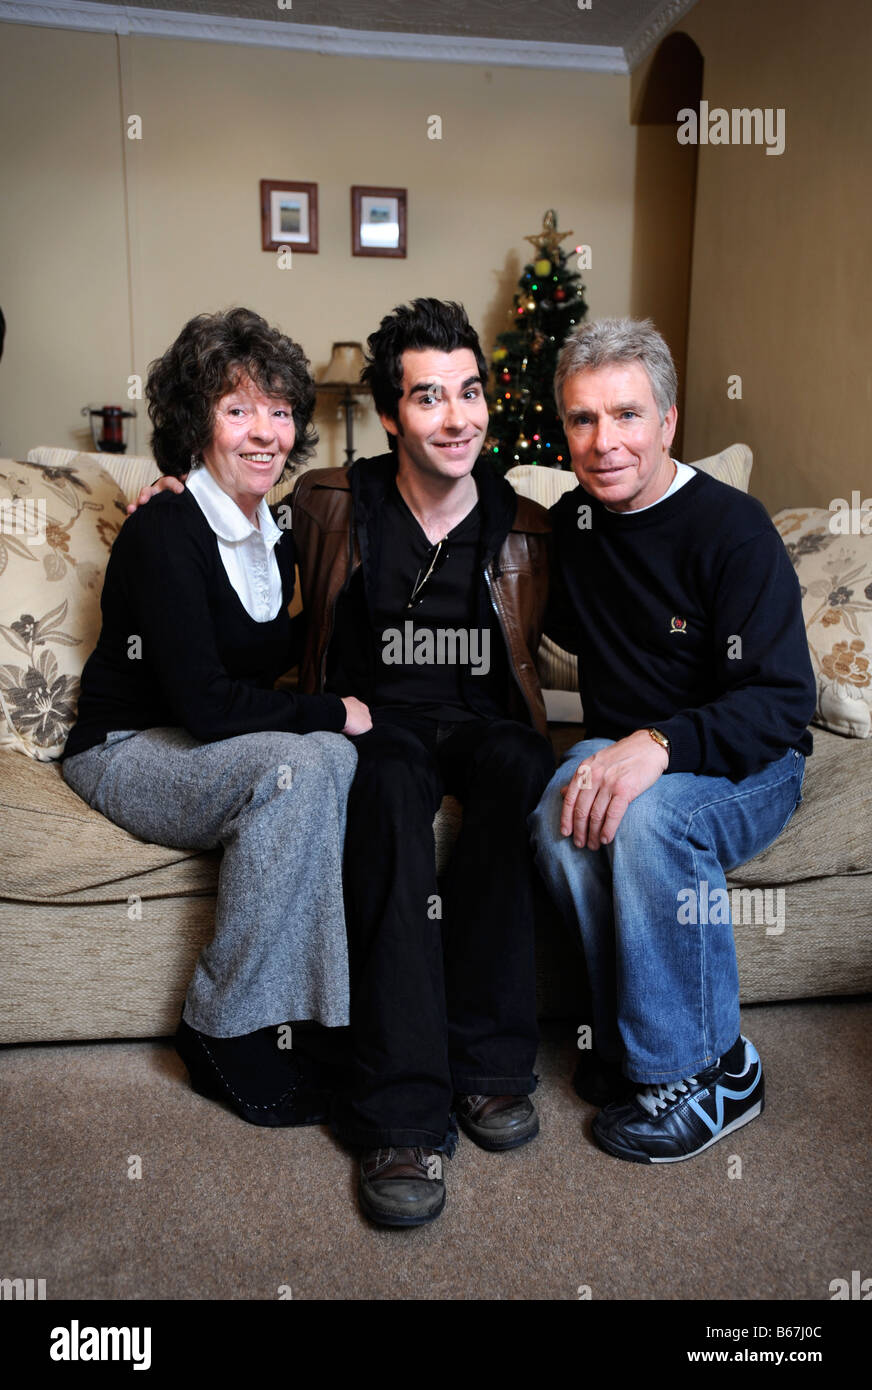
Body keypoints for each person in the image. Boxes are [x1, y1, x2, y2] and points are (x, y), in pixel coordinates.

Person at [62, 307, 371, 1126]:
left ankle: (303, 1018)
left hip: (194, 745)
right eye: (238, 411)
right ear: (200, 425)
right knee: (305, 758)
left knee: (335, 761)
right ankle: (219, 1028)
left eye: (278, 410)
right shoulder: (166, 528)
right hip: (124, 750)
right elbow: (204, 702)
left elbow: (269, 647)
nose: (265, 432)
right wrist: (328, 710)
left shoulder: (268, 534)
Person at [291, 299, 554, 1226]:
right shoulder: (334, 502)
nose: (458, 417)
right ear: (394, 414)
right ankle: (400, 1112)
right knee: (391, 781)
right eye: (431, 397)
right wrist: (173, 500)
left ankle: (488, 1066)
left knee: (525, 762)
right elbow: (242, 564)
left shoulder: (527, 522)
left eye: (472, 392)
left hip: (481, 725)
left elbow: (599, 615)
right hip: (378, 725)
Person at [529, 317, 816, 1163]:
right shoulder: (570, 530)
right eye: (582, 420)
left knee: (650, 819)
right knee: (556, 812)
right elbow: (467, 559)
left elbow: (782, 700)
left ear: (668, 422)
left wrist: (658, 742)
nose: (604, 442)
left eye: (626, 416)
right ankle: (631, 1037)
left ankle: (715, 1071)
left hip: (752, 761)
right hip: (633, 745)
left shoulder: (735, 529)